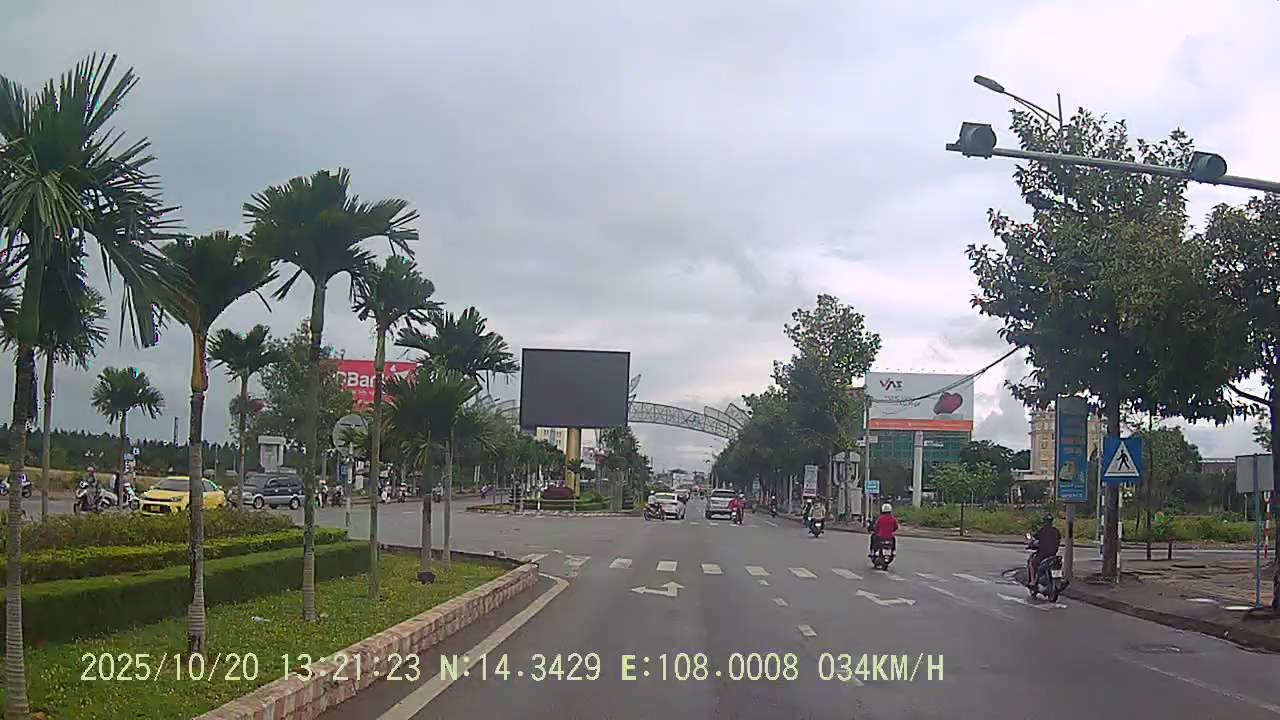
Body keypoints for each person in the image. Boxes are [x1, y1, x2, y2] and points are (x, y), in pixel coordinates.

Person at [1027, 514, 1061, 587]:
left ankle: (1033, 581)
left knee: (1032, 562)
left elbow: (1034, 540)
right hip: (1053, 555)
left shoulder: (1042, 530)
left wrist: (1031, 544)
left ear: (1044, 521)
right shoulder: (1056, 531)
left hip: (1043, 555)